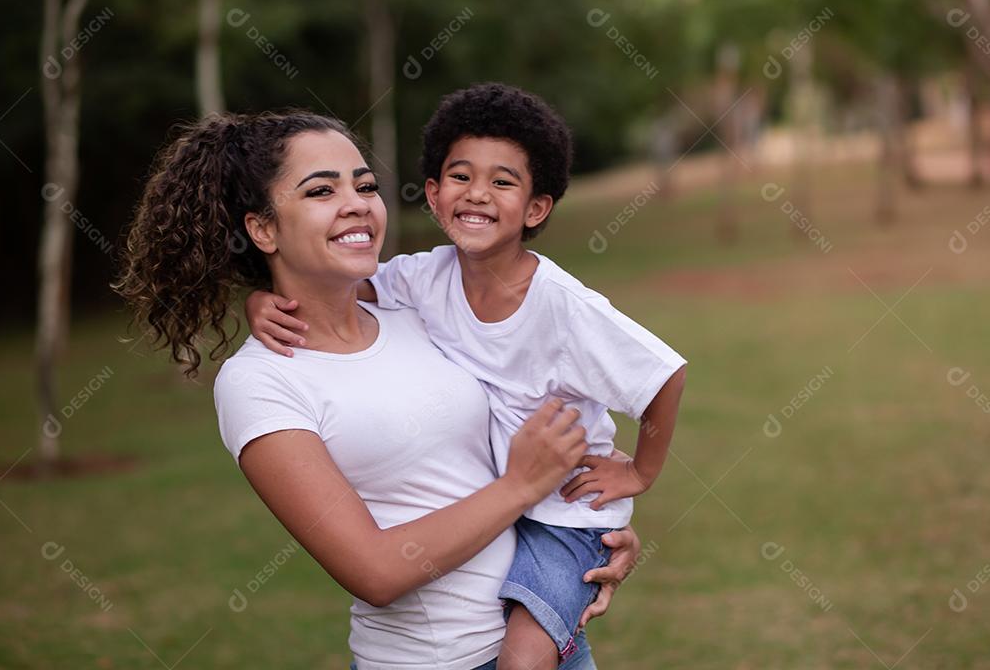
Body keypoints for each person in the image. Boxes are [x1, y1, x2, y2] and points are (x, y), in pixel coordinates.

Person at [114, 110, 641, 670]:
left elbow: (511, 411)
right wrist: (518, 485)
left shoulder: (414, 307)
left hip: (550, 639)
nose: (357, 202)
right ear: (263, 228)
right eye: (321, 190)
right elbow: (376, 573)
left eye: (365, 185)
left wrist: (591, 539)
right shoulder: (261, 381)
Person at [246, 85, 686, 669]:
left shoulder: (558, 305)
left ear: (536, 208)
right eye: (461, 177)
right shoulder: (417, 284)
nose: (478, 193)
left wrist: (639, 472)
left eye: (502, 182)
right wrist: (257, 298)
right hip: (452, 610)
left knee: (524, 659)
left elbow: (662, 376)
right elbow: (332, 288)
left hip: (561, 518)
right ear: (432, 193)